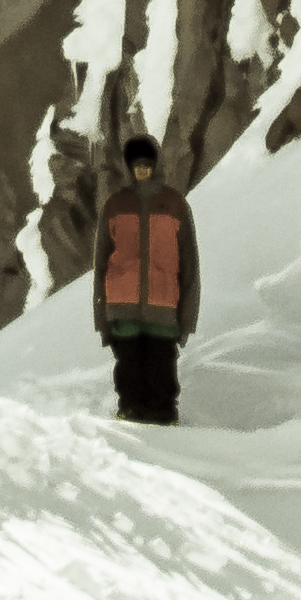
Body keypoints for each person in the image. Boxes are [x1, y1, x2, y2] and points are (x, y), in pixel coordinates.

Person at [94, 131, 198, 424]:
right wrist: (101, 317)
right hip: (121, 304)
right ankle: (129, 411)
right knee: (128, 364)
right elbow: (100, 262)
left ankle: (164, 415)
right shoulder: (114, 204)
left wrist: (187, 317)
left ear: (156, 165)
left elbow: (190, 263)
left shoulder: (175, 204)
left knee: (162, 364)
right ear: (129, 167)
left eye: (147, 164)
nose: (142, 169)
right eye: (136, 164)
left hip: (163, 304)